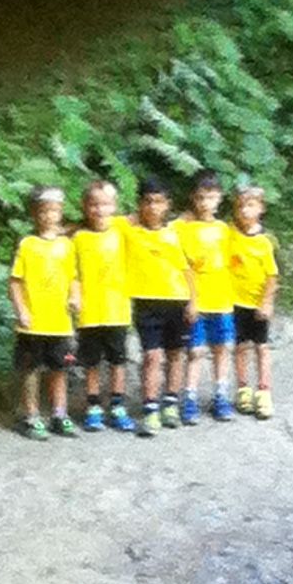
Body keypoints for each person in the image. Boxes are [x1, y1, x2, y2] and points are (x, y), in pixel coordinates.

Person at [123, 176, 195, 437]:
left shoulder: (175, 233)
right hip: (146, 302)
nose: (153, 207)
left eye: (159, 202)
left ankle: (171, 403)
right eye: (148, 202)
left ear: (168, 204)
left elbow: (187, 270)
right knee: (151, 356)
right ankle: (150, 408)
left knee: (175, 354)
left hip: (177, 300)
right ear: (140, 204)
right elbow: (98, 222)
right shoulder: (128, 230)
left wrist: (193, 301)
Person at [9, 186, 79, 441]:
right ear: (35, 214)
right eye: (44, 211)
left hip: (59, 322)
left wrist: (75, 296)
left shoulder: (66, 245)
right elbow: (15, 281)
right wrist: (21, 309)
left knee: (59, 369)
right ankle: (31, 415)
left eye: (54, 211)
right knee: (31, 370)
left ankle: (59, 413)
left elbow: (73, 277)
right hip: (33, 323)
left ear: (61, 212)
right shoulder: (27, 244)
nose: (49, 216)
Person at [72, 178, 136, 433]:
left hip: (117, 309)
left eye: (106, 204)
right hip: (89, 311)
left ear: (115, 205)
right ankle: (93, 406)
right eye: (94, 204)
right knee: (91, 362)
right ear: (85, 206)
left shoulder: (122, 229)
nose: (100, 210)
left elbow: (147, 221)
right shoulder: (77, 237)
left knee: (118, 360)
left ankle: (118, 405)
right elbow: (72, 272)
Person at [173, 169, 237, 422]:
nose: (205, 203)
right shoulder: (183, 227)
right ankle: (189, 397)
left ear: (219, 198)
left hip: (222, 299)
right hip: (197, 300)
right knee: (195, 351)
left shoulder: (225, 229)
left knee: (223, 348)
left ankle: (220, 395)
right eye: (200, 197)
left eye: (210, 197)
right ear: (193, 198)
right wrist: (191, 300)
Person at [226, 182, 279, 421]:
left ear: (261, 208)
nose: (245, 211)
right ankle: (243, 388)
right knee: (239, 346)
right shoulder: (229, 233)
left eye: (250, 205)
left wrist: (266, 302)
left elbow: (272, 276)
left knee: (261, 347)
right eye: (240, 206)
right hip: (234, 301)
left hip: (257, 303)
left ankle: (264, 391)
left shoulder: (265, 241)